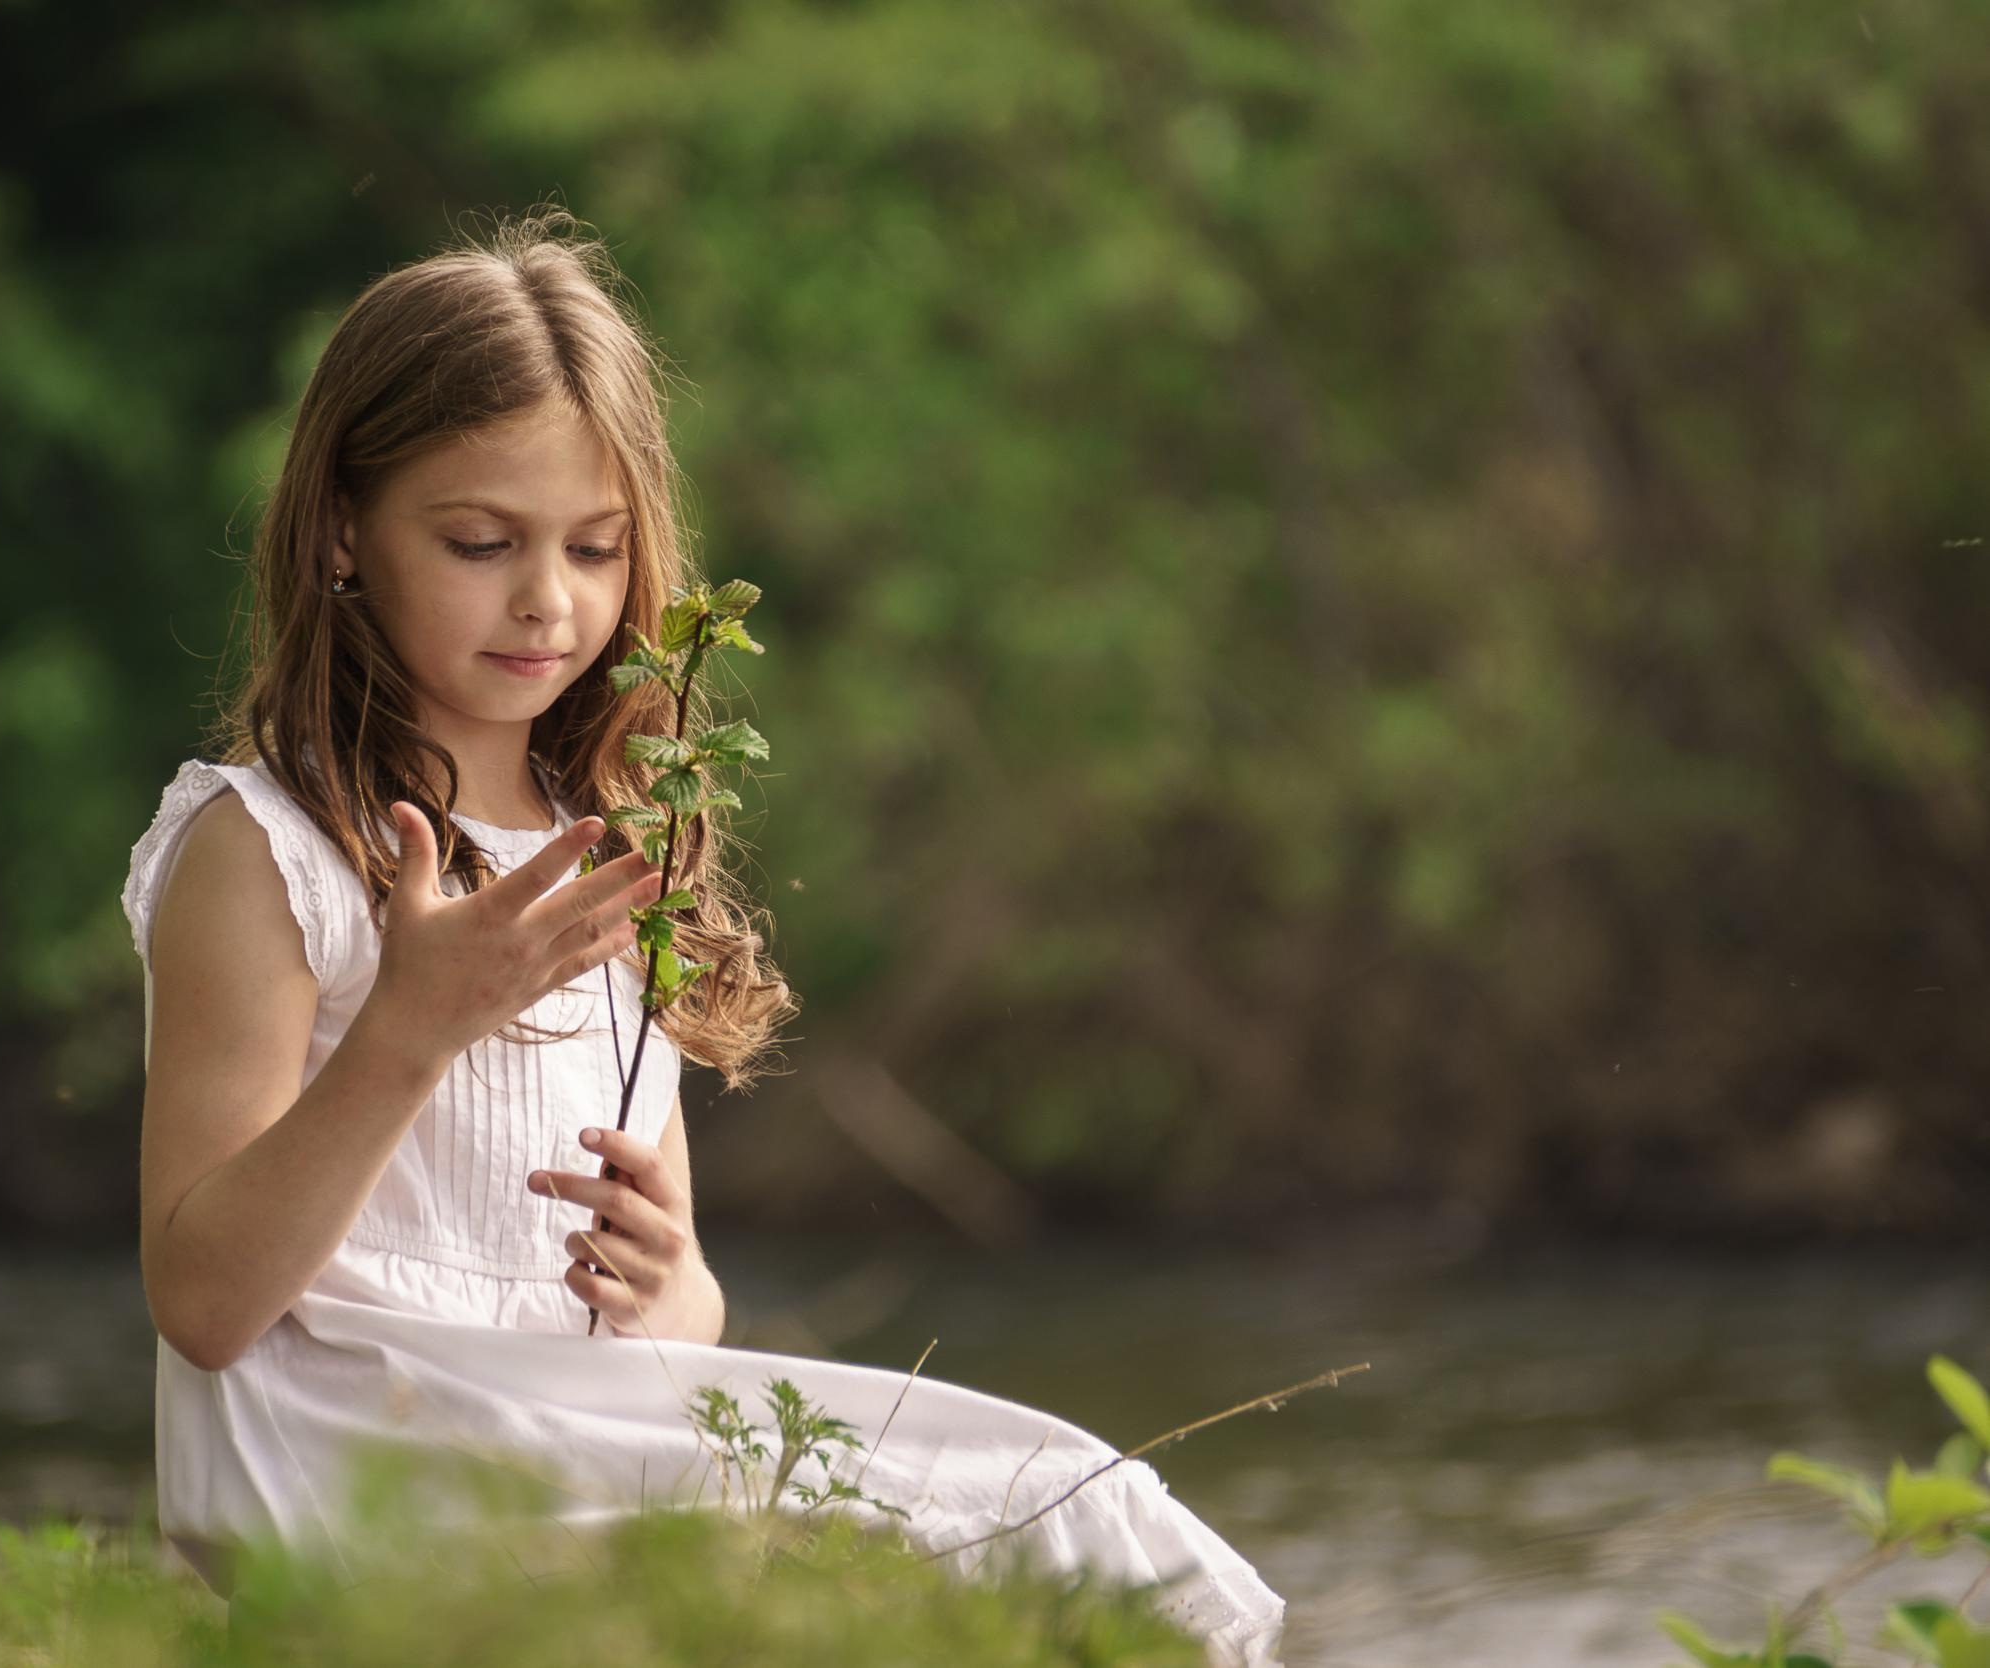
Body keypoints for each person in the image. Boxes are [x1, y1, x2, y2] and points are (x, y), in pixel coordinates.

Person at [117, 204, 1287, 1666]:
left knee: (1085, 1517)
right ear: (344, 531)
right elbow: (209, 1305)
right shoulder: (265, 850)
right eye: (480, 542)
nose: (549, 599)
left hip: (585, 1435)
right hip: (357, 1467)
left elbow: (685, 1323)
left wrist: (669, 1280)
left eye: (596, 549)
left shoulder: (623, 835)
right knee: (880, 1562)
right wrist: (413, 1030)